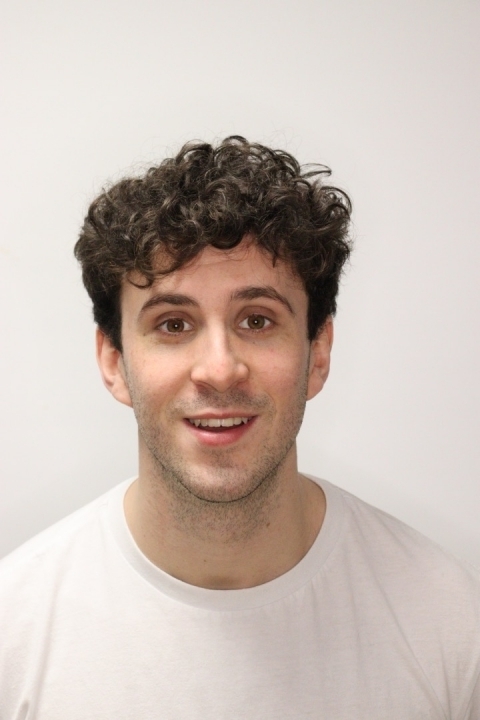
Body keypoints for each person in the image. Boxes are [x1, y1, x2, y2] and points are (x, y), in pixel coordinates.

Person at [1, 137, 479, 719]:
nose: (220, 369)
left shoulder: (449, 623)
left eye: (256, 320)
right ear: (113, 361)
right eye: (173, 324)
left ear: (318, 352)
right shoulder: (14, 633)